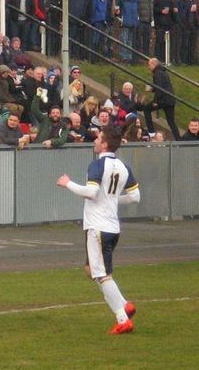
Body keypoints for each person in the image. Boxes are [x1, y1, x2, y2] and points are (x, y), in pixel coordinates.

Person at [56, 125, 140, 335]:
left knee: (102, 275)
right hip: (112, 227)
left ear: (105, 143)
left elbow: (91, 193)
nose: (95, 140)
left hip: (98, 227)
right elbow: (134, 197)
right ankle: (124, 304)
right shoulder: (123, 166)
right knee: (90, 269)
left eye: (98, 138)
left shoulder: (97, 165)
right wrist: (110, 199)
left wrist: (68, 184)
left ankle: (122, 318)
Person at [143, 58, 180, 141]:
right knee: (171, 122)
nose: (148, 67)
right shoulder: (163, 72)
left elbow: (159, 88)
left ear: (153, 64)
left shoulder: (157, 73)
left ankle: (151, 132)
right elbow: (162, 86)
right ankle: (179, 140)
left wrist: (155, 101)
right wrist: (152, 89)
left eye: (149, 65)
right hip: (170, 100)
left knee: (146, 109)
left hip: (163, 99)